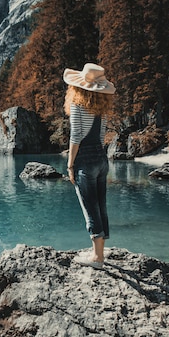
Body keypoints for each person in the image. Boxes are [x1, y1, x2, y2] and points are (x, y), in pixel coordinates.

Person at [63, 63, 116, 267]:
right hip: (101, 159)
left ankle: (97, 257)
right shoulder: (102, 108)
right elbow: (101, 136)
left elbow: (75, 135)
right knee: (100, 205)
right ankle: (100, 252)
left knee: (89, 208)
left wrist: (70, 165)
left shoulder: (77, 104)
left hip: (84, 159)